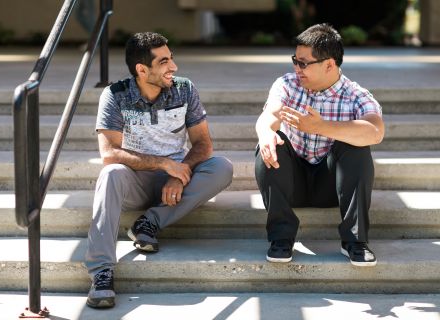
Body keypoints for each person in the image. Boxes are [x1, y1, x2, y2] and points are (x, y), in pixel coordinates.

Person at [84, 32, 233, 308]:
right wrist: (164, 163)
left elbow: (203, 144)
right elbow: (110, 153)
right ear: (142, 70)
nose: (173, 67)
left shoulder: (184, 89)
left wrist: (180, 172)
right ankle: (101, 271)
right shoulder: (115, 95)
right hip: (135, 181)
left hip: (176, 179)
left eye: (172, 58)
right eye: (164, 62)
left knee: (221, 167)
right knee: (110, 173)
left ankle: (150, 221)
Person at [254, 23, 384, 268]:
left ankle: (355, 241)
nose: (297, 68)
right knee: (271, 142)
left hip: (331, 186)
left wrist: (320, 127)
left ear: (329, 64)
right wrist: (264, 134)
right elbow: (269, 116)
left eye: (304, 63)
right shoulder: (287, 84)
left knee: (356, 143)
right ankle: (281, 238)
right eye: (295, 60)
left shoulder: (356, 95)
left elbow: (375, 132)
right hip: (293, 183)